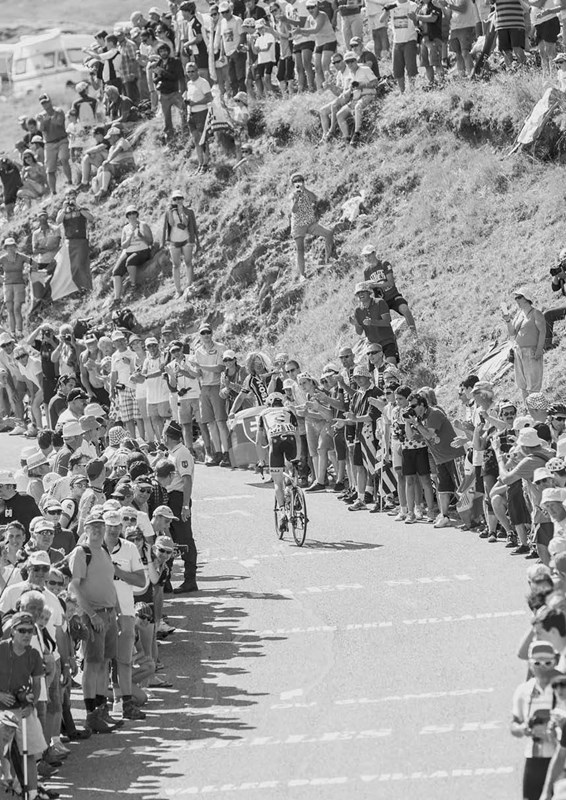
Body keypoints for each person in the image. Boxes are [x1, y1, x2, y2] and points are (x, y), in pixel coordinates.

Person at [69, 511, 118, 734]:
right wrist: (92, 615)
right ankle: (91, 714)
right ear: (86, 529)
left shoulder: (104, 551)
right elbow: (74, 587)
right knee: (92, 663)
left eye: (100, 526)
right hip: (93, 615)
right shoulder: (82, 552)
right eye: (93, 526)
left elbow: (108, 583)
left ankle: (101, 709)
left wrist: (115, 613)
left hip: (108, 613)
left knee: (104, 663)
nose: (97, 530)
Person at [0, 611, 46, 800]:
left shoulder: (34, 654)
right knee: (4, 752)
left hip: (23, 709)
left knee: (30, 753)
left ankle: (33, 794)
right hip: (2, 710)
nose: (27, 634)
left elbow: (37, 684)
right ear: (12, 631)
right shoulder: (1, 649)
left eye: (30, 630)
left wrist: (31, 704)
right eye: (22, 630)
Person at [513, 640, 562, 800]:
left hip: (561, 754)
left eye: (548, 663)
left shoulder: (562, 686)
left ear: (555, 662)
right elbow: (514, 725)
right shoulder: (523, 690)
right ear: (529, 664)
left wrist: (554, 728)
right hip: (535, 757)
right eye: (537, 663)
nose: (542, 668)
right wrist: (525, 729)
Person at [409, 391, 465, 528]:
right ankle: (444, 516)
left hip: (453, 456)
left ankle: (471, 517)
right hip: (440, 459)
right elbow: (412, 437)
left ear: (422, 404)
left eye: (414, 406)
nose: (412, 409)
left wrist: (416, 424)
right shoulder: (420, 419)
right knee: (443, 489)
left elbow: (429, 435)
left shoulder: (433, 413)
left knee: (461, 488)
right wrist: (409, 423)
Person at [158, 420, 198, 593]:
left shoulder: (182, 453)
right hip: (170, 498)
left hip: (178, 498)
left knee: (185, 539)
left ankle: (190, 580)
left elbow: (186, 479)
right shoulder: (172, 453)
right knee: (169, 539)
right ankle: (165, 581)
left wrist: (185, 506)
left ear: (167, 437)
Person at [258, 392, 299, 530]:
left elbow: (259, 442)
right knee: (291, 468)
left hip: (275, 442)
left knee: (277, 482)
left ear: (269, 404)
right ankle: (293, 489)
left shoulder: (264, 413)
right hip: (291, 440)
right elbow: (297, 436)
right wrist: (298, 457)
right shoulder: (289, 410)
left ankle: (282, 514)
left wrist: (261, 461)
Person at [192, 324, 231, 466]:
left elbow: (220, 368)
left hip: (217, 385)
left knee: (221, 421)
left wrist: (200, 367)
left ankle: (227, 453)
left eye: (208, 332)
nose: (206, 335)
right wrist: (186, 370)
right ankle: (218, 453)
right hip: (204, 388)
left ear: (212, 333)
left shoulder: (221, 347)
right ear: (200, 335)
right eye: (203, 333)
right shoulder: (198, 351)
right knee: (211, 423)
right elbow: (198, 374)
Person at [502, 287, 546, 402]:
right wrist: (508, 321)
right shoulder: (520, 314)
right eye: (515, 298)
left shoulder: (536, 313)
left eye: (518, 297)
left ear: (526, 298)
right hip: (519, 351)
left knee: (533, 385)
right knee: (522, 385)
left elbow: (542, 332)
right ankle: (528, 409)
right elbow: (512, 332)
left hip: (531, 351)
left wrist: (539, 349)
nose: (516, 300)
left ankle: (536, 409)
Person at [289, 173, 334, 281]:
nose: (298, 183)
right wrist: (296, 199)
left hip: (310, 223)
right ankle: (302, 275)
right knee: (300, 249)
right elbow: (293, 210)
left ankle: (328, 260)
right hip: (298, 225)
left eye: (300, 180)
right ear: (292, 184)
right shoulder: (292, 195)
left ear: (303, 182)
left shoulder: (307, 192)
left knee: (328, 233)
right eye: (295, 181)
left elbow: (315, 198)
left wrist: (304, 190)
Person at [335, 51, 378, 146]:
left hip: (368, 94)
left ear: (356, 61)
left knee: (358, 106)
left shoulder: (365, 69)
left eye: (352, 61)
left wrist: (362, 85)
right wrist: (350, 89)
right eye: (347, 62)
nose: (350, 64)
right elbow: (346, 92)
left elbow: (375, 83)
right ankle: (346, 138)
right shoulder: (349, 74)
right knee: (339, 114)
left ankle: (357, 133)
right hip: (355, 98)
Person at [112, 206, 154, 304]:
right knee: (116, 272)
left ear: (137, 214)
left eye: (133, 213)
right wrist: (130, 237)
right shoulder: (126, 228)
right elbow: (123, 245)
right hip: (129, 251)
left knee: (130, 261)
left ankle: (133, 285)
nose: (132, 216)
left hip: (142, 251)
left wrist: (141, 236)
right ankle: (117, 298)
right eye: (129, 214)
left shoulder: (143, 225)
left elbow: (150, 241)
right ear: (127, 216)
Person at [162, 191, 200, 296]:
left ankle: (189, 285)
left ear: (183, 199)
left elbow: (189, 225)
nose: (177, 201)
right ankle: (178, 290)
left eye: (179, 198)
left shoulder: (189, 211)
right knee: (175, 265)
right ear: (172, 201)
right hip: (174, 241)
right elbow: (171, 223)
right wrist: (171, 211)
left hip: (186, 239)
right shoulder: (169, 212)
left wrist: (181, 211)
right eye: (175, 199)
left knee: (188, 262)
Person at [352, 281, 399, 364]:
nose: (360, 294)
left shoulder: (380, 302)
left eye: (363, 292)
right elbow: (359, 332)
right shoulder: (357, 311)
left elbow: (387, 322)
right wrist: (356, 324)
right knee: (373, 371)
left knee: (391, 366)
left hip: (387, 341)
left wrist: (372, 322)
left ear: (369, 292)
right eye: (358, 293)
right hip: (372, 346)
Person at [37, 94, 72, 195]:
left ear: (50, 101)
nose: (45, 104)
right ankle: (53, 192)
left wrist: (48, 118)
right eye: (43, 103)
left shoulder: (58, 111)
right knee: (50, 169)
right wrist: (42, 121)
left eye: (46, 102)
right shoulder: (41, 115)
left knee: (64, 159)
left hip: (62, 140)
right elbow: (41, 129)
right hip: (49, 144)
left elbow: (59, 123)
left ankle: (70, 181)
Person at [152, 43, 187, 139]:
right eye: (161, 51)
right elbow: (154, 80)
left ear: (168, 51)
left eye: (165, 51)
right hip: (164, 95)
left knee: (184, 112)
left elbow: (177, 77)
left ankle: (186, 134)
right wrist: (159, 76)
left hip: (174, 93)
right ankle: (170, 139)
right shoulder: (158, 63)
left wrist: (163, 72)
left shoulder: (175, 62)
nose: (163, 53)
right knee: (167, 120)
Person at [92, 127, 136, 202]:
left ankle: (103, 190)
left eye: (110, 138)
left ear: (115, 136)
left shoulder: (122, 141)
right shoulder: (113, 146)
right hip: (119, 166)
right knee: (101, 169)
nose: (108, 140)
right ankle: (98, 190)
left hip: (127, 166)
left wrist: (108, 160)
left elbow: (118, 150)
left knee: (106, 166)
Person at [383, 0, 419, 92]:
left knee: (411, 67)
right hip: (397, 41)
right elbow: (381, 20)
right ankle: (402, 92)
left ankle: (412, 90)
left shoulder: (413, 5)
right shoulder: (392, 5)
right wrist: (386, 10)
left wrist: (414, 18)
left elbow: (418, 23)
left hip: (409, 39)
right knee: (397, 69)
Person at [0, 238, 32, 339]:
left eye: (12, 246)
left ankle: (19, 331)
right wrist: (1, 278)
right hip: (7, 285)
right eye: (8, 246)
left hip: (19, 285)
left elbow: (32, 262)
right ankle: (13, 333)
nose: (10, 248)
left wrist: (28, 272)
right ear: (5, 248)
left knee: (16, 308)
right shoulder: (2, 259)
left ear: (15, 247)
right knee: (10, 309)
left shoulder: (21, 257)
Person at [184, 64, 212, 172]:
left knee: (203, 139)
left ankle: (206, 163)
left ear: (197, 71)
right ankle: (200, 163)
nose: (191, 74)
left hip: (201, 112)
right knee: (196, 140)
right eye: (189, 72)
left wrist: (196, 103)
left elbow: (209, 98)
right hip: (191, 114)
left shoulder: (203, 82)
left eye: (193, 71)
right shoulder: (189, 83)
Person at [216, 1, 246, 95]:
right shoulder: (222, 22)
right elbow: (222, 39)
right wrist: (221, 54)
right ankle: (235, 97)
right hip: (228, 54)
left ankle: (243, 96)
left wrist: (237, 50)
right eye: (223, 12)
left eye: (227, 11)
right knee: (232, 78)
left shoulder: (237, 20)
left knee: (240, 77)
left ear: (230, 10)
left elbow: (242, 36)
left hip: (238, 53)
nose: (225, 14)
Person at [544, 248, 566, 351]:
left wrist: (564, 277)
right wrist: (556, 275)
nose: (564, 263)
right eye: (563, 261)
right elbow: (554, 288)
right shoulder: (563, 272)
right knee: (547, 315)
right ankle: (547, 345)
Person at [31, 210, 61, 277]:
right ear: (38, 219)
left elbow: (56, 245)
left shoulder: (55, 229)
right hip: (43, 261)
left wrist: (42, 249)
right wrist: (49, 249)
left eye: (44, 216)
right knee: (44, 281)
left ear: (47, 217)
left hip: (56, 260)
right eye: (40, 217)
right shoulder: (36, 234)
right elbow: (34, 250)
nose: (42, 218)